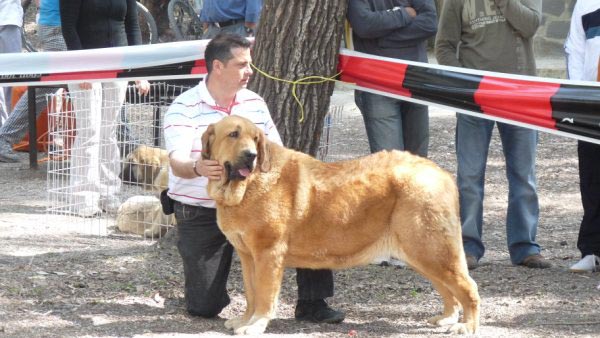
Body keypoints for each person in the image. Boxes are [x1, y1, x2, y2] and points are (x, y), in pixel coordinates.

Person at [163, 33, 345, 323]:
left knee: (308, 216)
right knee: (204, 307)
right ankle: (220, 292)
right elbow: (177, 162)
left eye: (250, 64)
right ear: (218, 67)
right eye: (242, 65)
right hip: (201, 209)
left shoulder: (255, 102)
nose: (250, 71)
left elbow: (275, 153)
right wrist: (199, 168)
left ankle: (313, 302)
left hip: (254, 203)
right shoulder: (183, 106)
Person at [435, 0, 550, 269]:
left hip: (521, 95)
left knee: (524, 174)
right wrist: (465, 82)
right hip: (475, 99)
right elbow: (444, 46)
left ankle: (525, 247)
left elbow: (531, 26)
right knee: (470, 175)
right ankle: (468, 247)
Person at [59, 0, 150, 217]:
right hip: (85, 64)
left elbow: (132, 26)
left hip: (118, 64)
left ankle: (109, 191)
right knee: (89, 131)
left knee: (109, 131)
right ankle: (83, 196)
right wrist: (81, 68)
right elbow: (69, 28)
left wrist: (137, 70)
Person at [347, 0, 437, 158]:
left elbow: (429, 23)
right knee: (390, 165)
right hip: (377, 84)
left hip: (415, 81)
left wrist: (381, 39)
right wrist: (404, 14)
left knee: (418, 162)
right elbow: (364, 25)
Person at [0, 0, 67, 163]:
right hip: (55, 22)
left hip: (46, 20)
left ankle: (5, 135)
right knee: (21, 81)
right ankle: (5, 136)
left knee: (44, 84)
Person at [565, 0, 600, 273]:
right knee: (591, 179)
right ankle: (591, 250)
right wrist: (577, 98)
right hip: (592, 105)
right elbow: (575, 50)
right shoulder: (586, 3)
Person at [0, 0, 23, 127]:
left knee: (13, 78)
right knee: (12, 78)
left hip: (9, 19)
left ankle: (11, 128)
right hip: (9, 18)